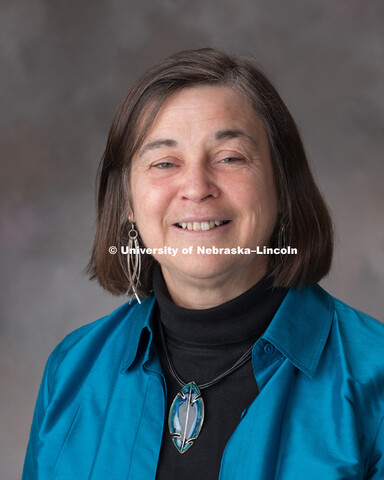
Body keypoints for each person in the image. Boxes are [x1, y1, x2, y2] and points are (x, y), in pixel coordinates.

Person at [22, 48, 384, 480]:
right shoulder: (72, 371)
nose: (196, 187)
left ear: (283, 186)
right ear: (129, 204)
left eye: (229, 157)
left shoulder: (373, 377)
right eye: (164, 162)